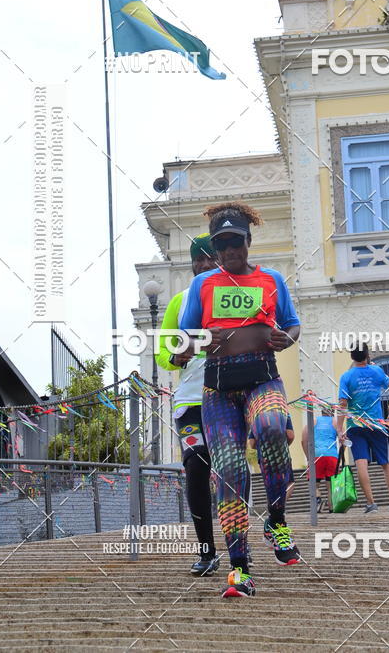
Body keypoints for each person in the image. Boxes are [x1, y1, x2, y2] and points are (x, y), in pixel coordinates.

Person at [180, 201, 301, 599]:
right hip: (218, 390)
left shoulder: (272, 280)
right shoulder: (202, 286)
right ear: (215, 250)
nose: (231, 252)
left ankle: (277, 520)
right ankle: (240, 570)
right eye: (223, 246)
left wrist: (288, 337)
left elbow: (292, 323)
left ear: (249, 242)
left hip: (263, 379)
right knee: (229, 471)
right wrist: (199, 341)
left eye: (237, 243)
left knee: (270, 428)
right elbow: (179, 344)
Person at [156, 233, 219, 577]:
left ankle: (240, 543)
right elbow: (163, 354)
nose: (206, 265)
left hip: (229, 399)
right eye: (200, 260)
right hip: (191, 402)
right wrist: (179, 356)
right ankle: (207, 551)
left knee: (232, 473)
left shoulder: (233, 297)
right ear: (193, 264)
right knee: (196, 468)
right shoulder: (179, 301)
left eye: (212, 259)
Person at [336, 344, 389, 513]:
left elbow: (343, 404)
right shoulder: (377, 371)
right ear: (367, 355)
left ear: (352, 357)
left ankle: (371, 504)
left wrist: (339, 428)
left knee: (361, 463)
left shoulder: (346, 376)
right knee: (386, 463)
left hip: (355, 425)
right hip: (377, 424)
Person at [249, 413, 296, 502]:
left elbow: (252, 443)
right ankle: (280, 506)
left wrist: (262, 446)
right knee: (289, 482)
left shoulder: (256, 416)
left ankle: (274, 507)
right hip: (282, 455)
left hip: (264, 457)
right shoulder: (284, 413)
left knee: (270, 485)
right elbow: (290, 435)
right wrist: (284, 444)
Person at [301, 408, 338, 512]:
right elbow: (343, 439)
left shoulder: (313, 421)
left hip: (316, 456)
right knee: (330, 486)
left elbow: (304, 440)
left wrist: (308, 457)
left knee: (314, 484)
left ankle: (318, 500)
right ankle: (331, 508)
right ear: (332, 412)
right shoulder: (336, 422)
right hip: (332, 456)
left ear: (322, 412)